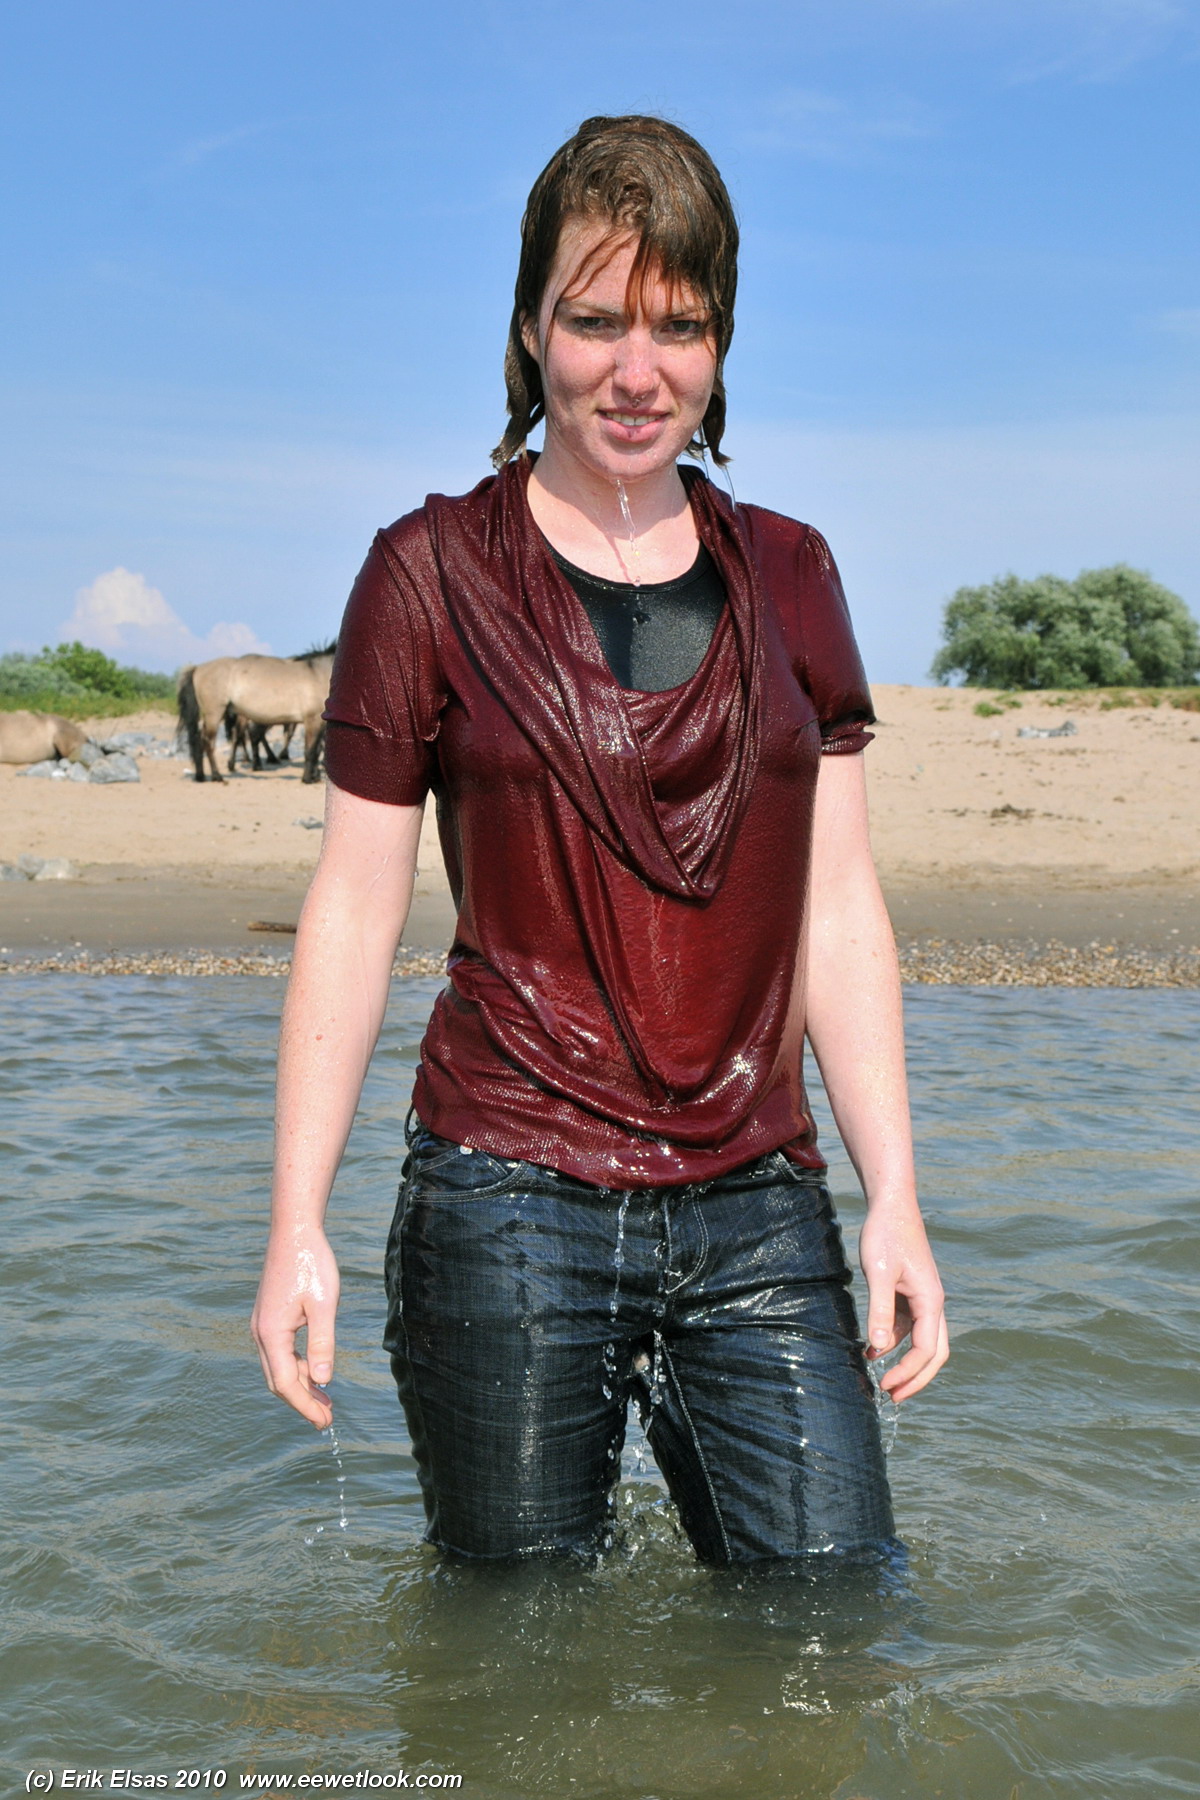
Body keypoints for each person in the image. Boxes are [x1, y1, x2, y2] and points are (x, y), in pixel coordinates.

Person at [251, 114, 948, 1564]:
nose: (638, 373)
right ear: (529, 330)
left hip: (758, 1198)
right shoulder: (424, 573)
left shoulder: (795, 572)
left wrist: (896, 1197)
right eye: (594, 322)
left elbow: (837, 907)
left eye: (678, 327)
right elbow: (355, 907)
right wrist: (294, 1221)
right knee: (507, 1647)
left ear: (720, 344)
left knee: (840, 1609)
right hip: (503, 1195)